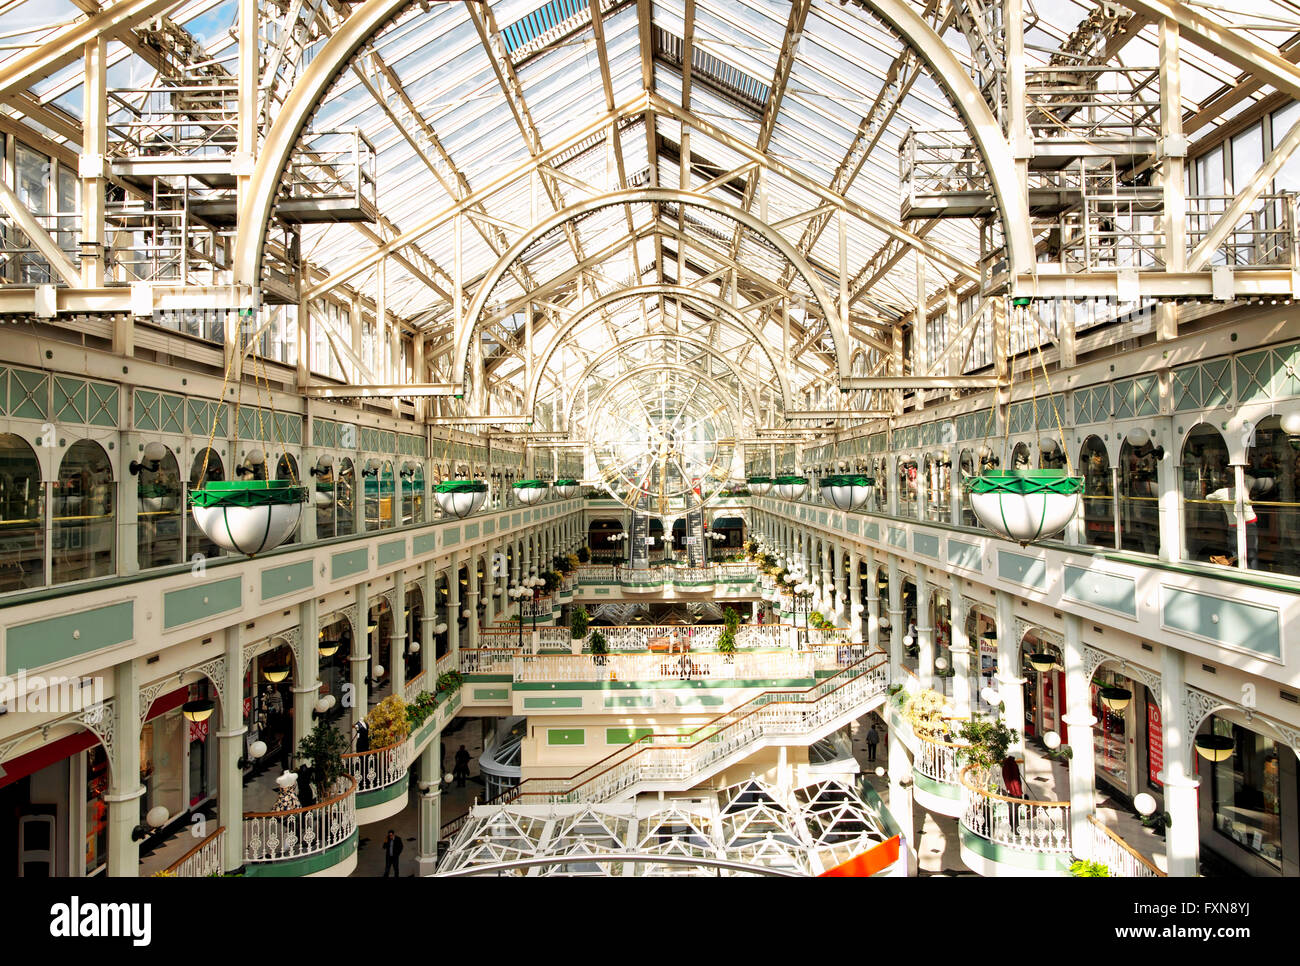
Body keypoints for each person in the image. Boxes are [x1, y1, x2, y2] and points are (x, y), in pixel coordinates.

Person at [1206, 473, 1276, 569]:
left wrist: (1213, 506)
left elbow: (1208, 497)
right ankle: (1253, 572)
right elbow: (1267, 482)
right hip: (1250, 522)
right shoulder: (1244, 486)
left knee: (1236, 552)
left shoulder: (1220, 493)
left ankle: (1240, 570)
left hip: (1234, 525)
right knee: (1252, 552)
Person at [1001, 755, 1024, 835]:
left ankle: (1014, 827)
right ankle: (1015, 828)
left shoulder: (1007, 765)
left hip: (1011, 792)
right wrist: (1018, 792)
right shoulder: (1011, 764)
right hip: (1015, 792)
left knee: (1012, 810)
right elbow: (1015, 781)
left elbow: (1009, 780)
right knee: (1015, 811)